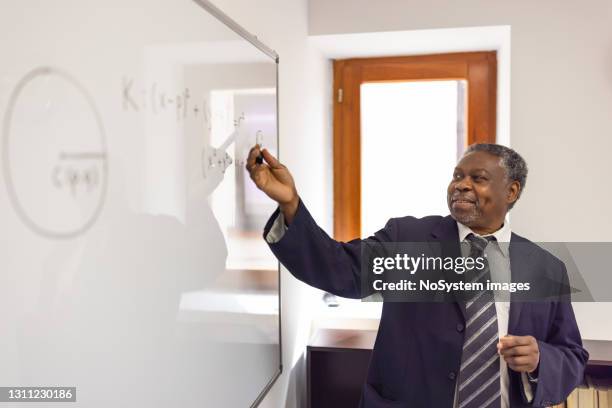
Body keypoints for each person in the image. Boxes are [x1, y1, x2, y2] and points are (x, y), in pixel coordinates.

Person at [245, 143, 588, 408]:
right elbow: (336, 268)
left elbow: (572, 356)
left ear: (511, 192)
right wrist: (291, 204)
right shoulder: (407, 239)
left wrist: (541, 358)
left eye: (478, 179)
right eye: (457, 176)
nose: (461, 186)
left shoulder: (545, 269)